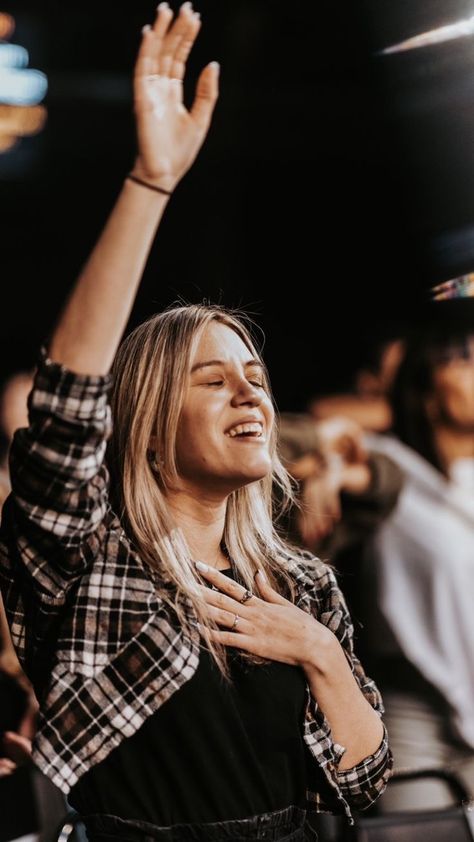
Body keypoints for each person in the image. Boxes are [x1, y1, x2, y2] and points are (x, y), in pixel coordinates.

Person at [0, 4, 392, 840]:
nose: (250, 394)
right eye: (212, 381)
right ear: (143, 425)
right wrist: (151, 184)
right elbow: (66, 404)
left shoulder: (300, 582)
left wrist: (319, 655)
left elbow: (361, 785)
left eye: (256, 377)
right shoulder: (91, 562)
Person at [358, 306, 474, 811]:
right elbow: (316, 424)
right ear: (426, 390)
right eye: (463, 359)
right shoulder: (386, 471)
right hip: (414, 717)